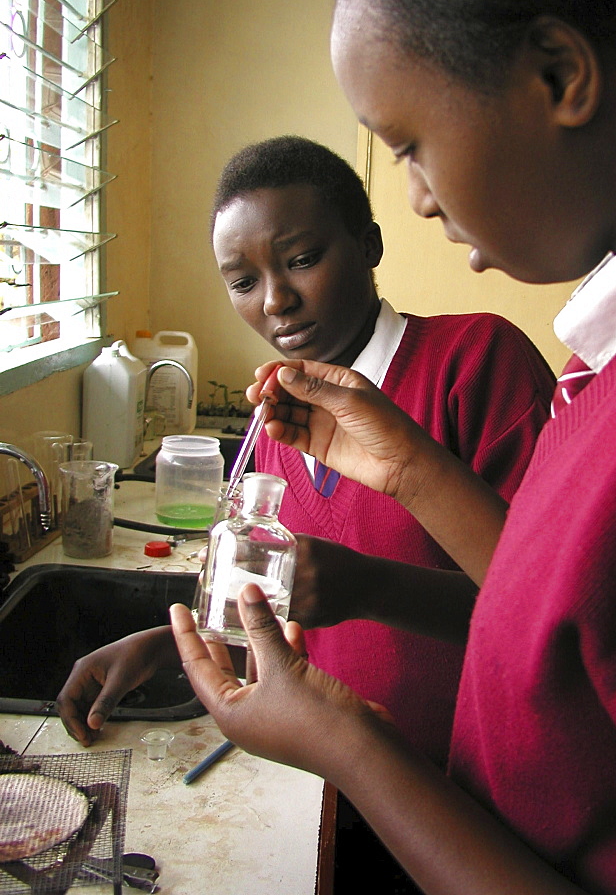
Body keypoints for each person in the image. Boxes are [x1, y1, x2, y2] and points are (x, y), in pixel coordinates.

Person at [167, 0, 616, 894]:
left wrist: (349, 742)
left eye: (405, 143)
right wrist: (405, 464)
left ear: (559, 76)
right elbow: (583, 628)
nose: (419, 197)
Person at [57, 136, 554, 772]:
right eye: (242, 281)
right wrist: (172, 649)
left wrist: (371, 587)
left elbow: (553, 611)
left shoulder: (474, 363)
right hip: (340, 778)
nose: (273, 301)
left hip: (470, 783)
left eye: (302, 259)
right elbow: (300, 623)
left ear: (369, 244)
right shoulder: (278, 423)